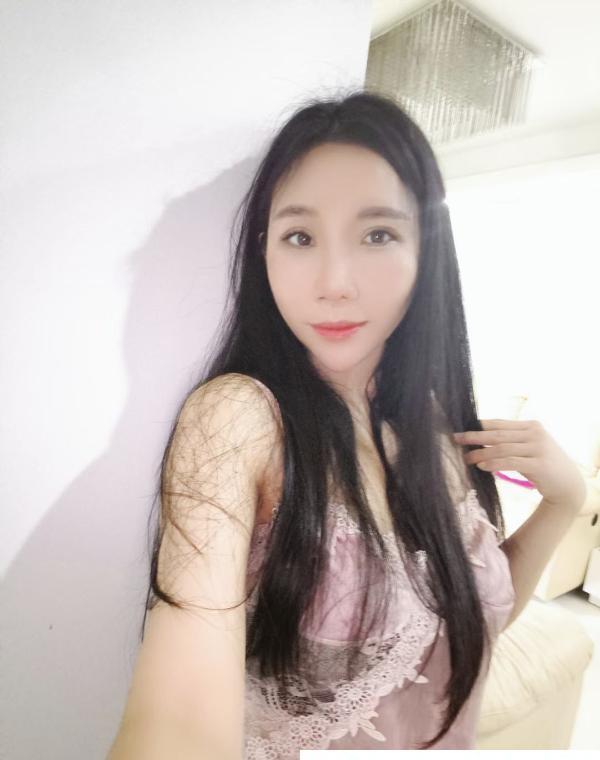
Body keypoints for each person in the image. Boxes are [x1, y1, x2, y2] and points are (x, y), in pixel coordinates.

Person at [106, 88, 588, 759]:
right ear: (264, 252)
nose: (334, 282)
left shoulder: (432, 419)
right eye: (300, 237)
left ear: (425, 253)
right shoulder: (239, 420)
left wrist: (565, 501)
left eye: (378, 234)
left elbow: (458, 632)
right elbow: (178, 718)